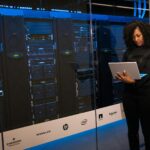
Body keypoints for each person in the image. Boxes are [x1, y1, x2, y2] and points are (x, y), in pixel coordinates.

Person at [116, 21, 150, 150]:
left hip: (146, 96)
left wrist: (134, 81)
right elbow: (124, 69)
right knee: (132, 131)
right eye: (133, 37)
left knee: (148, 131)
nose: (136, 39)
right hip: (129, 96)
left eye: (138, 35)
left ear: (145, 34)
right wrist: (121, 76)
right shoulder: (128, 52)